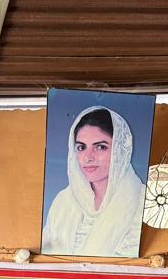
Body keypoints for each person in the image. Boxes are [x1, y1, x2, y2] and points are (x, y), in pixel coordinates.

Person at [41, 106, 146, 258]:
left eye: (101, 147)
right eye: (81, 147)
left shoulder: (142, 202)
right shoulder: (62, 202)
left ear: (119, 150)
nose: (88, 157)